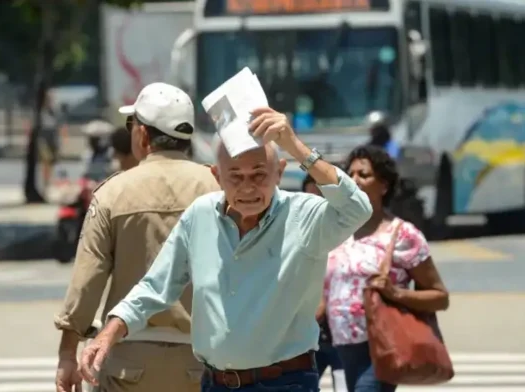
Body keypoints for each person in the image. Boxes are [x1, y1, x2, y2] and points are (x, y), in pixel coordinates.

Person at [79, 107, 374, 391]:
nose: (248, 188)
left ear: (279, 172)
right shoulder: (200, 215)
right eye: (236, 176)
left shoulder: (305, 216)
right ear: (217, 177)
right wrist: (108, 335)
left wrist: (295, 146)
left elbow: (357, 208)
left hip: (286, 382)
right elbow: (156, 286)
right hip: (216, 383)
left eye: (259, 175)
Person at [54, 83, 220, 392]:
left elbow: (86, 281)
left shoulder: (112, 193)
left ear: (142, 135)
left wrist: (67, 353)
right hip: (205, 359)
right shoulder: (219, 188)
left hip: (126, 359)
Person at [324, 144, 450, 392]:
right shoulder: (336, 228)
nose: (355, 180)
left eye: (364, 174)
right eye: (351, 174)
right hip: (339, 345)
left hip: (380, 346)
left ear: (384, 186)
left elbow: (440, 297)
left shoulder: (403, 234)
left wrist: (396, 293)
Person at [302, 174, 347, 392]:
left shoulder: (350, 236)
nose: (316, 205)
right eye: (310, 197)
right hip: (309, 341)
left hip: (345, 340)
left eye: (321, 197)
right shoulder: (297, 237)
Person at [38, 90, 67, 190]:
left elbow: (60, 126)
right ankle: (45, 182)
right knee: (46, 160)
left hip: (52, 137)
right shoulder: (40, 111)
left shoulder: (54, 112)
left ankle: (48, 182)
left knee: (52, 162)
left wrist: (61, 140)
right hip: (43, 137)